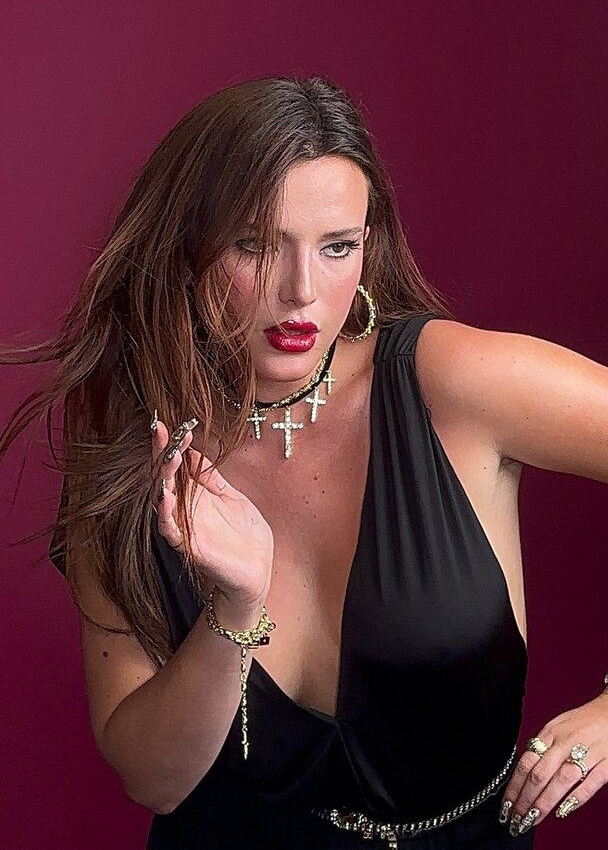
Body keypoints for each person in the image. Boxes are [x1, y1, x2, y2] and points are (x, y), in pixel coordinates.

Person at [3, 75, 608, 848]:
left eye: (337, 247)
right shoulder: (127, 443)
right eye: (254, 245)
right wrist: (234, 610)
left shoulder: (455, 383)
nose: (300, 293)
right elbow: (155, 779)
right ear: (185, 249)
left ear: (368, 246)